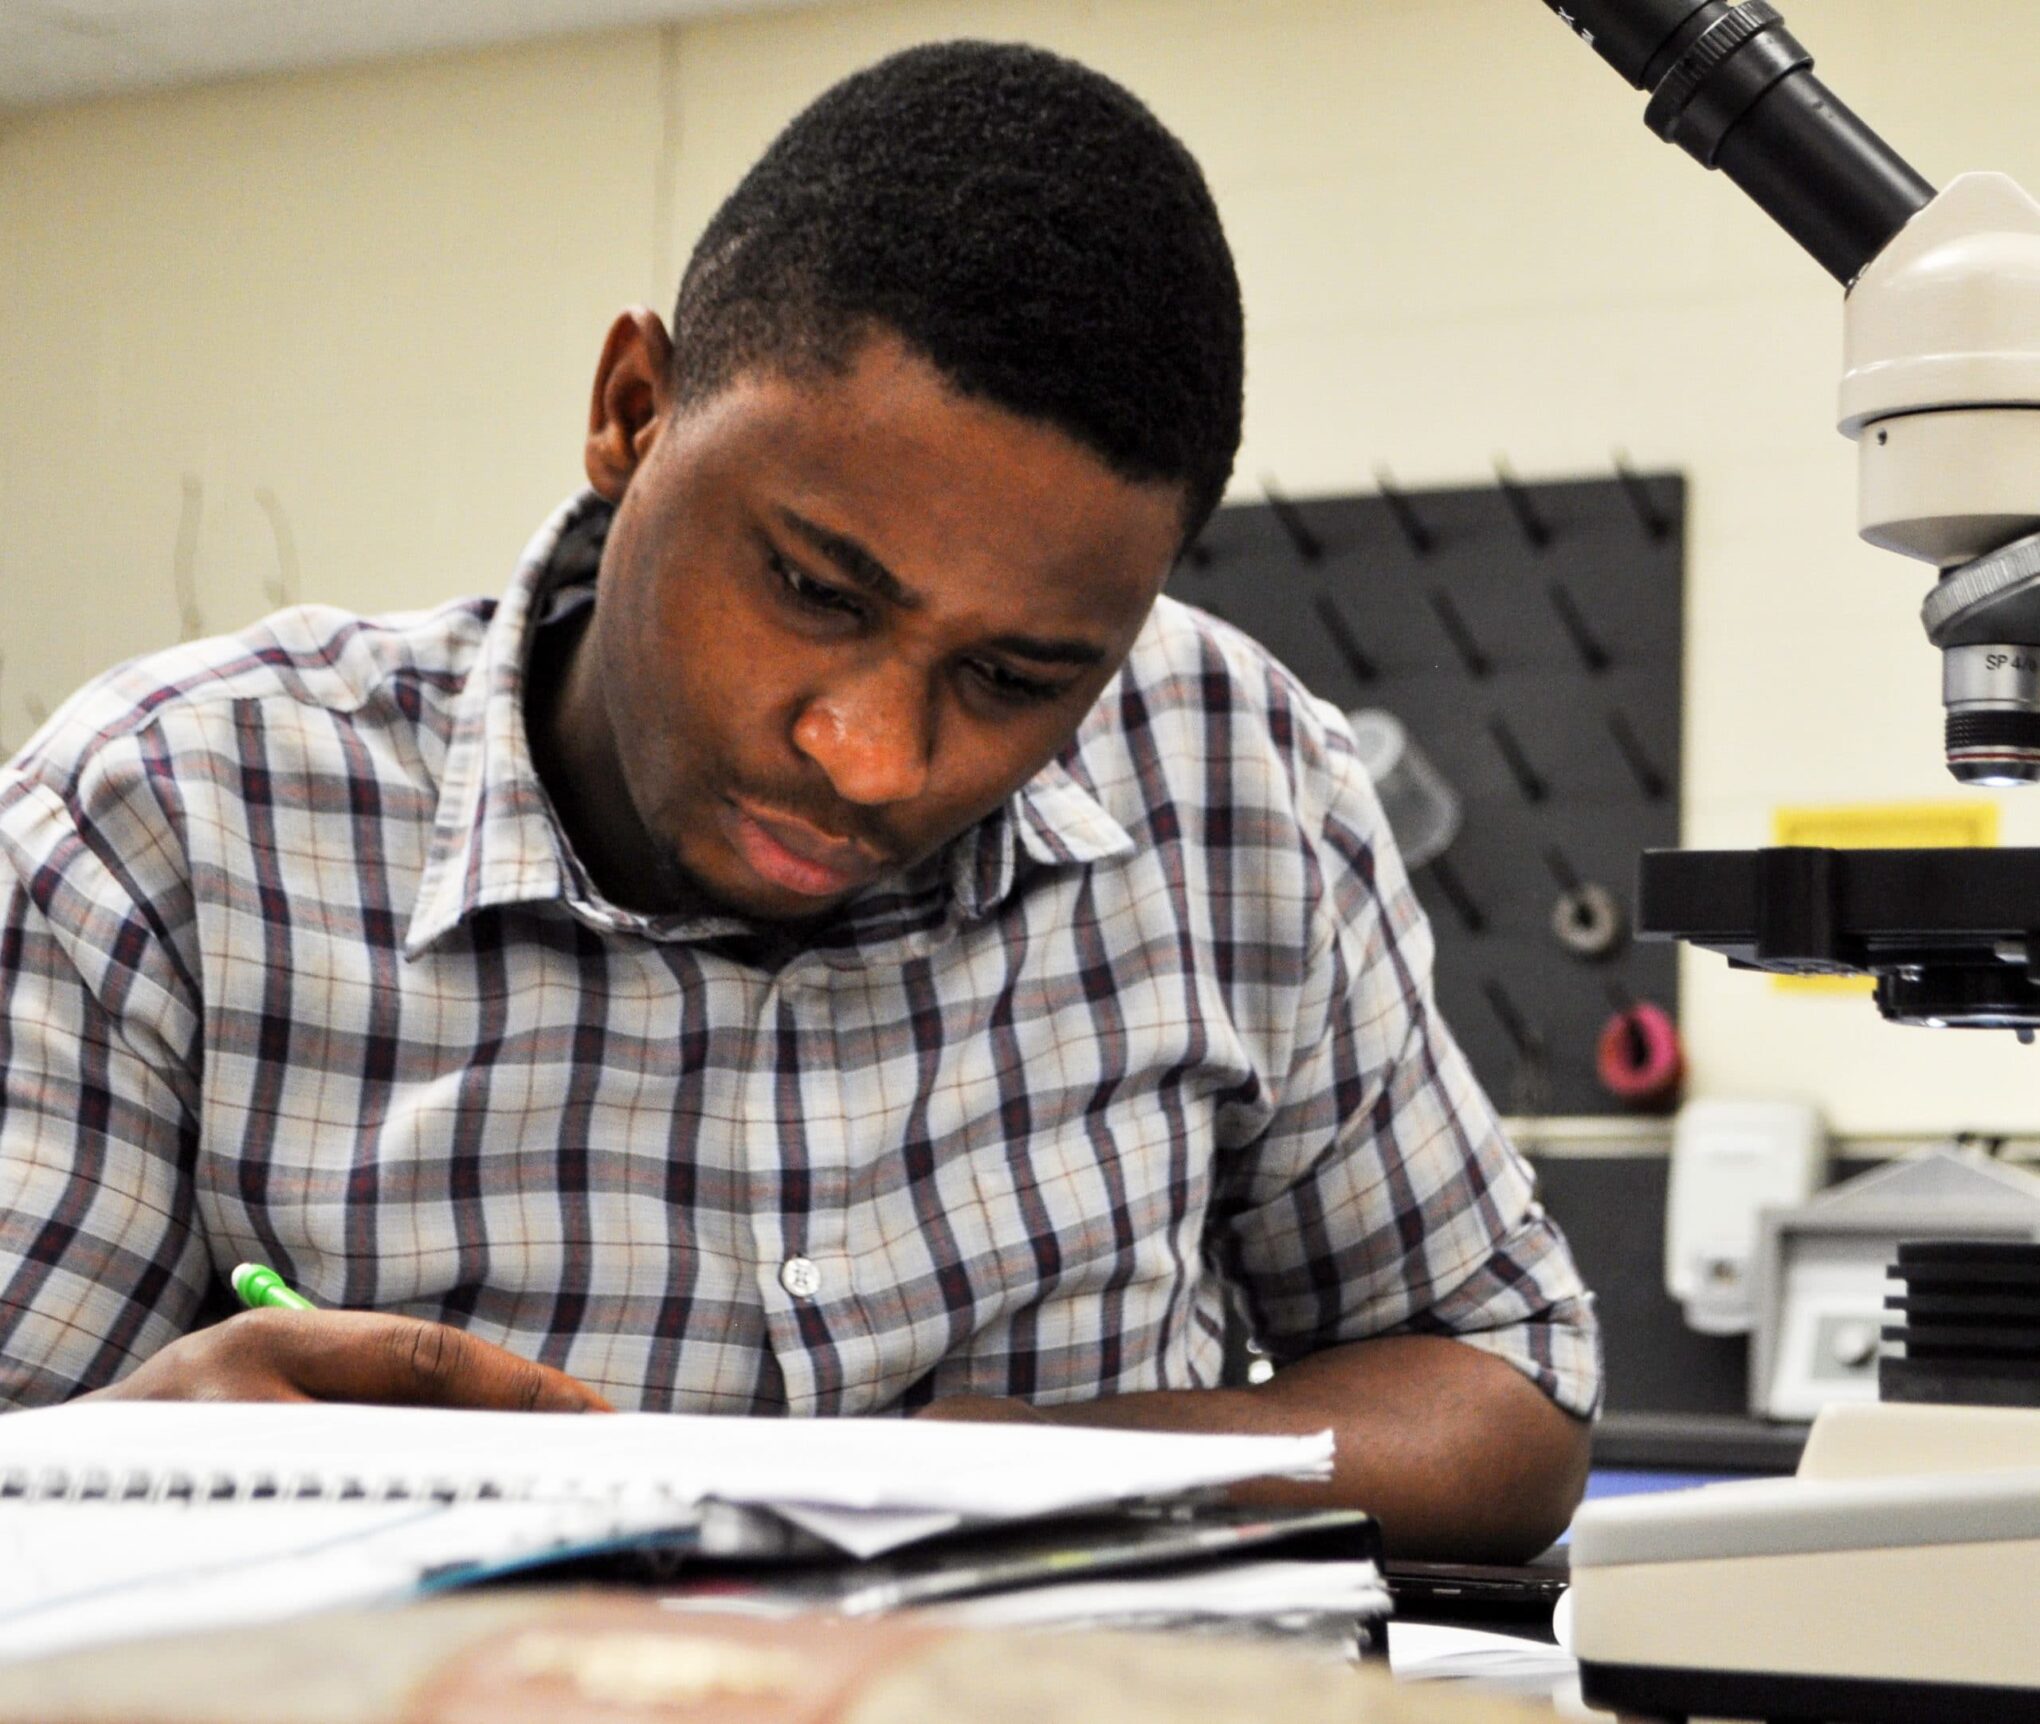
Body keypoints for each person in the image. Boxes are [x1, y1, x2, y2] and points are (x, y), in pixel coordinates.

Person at [0, 41, 1597, 1557]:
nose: (874, 758)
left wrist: (989, 1473)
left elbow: (1503, 1383)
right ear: (634, 410)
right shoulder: (168, 829)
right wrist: (88, 1475)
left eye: (1016, 682)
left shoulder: (1233, 776)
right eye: (817, 589)